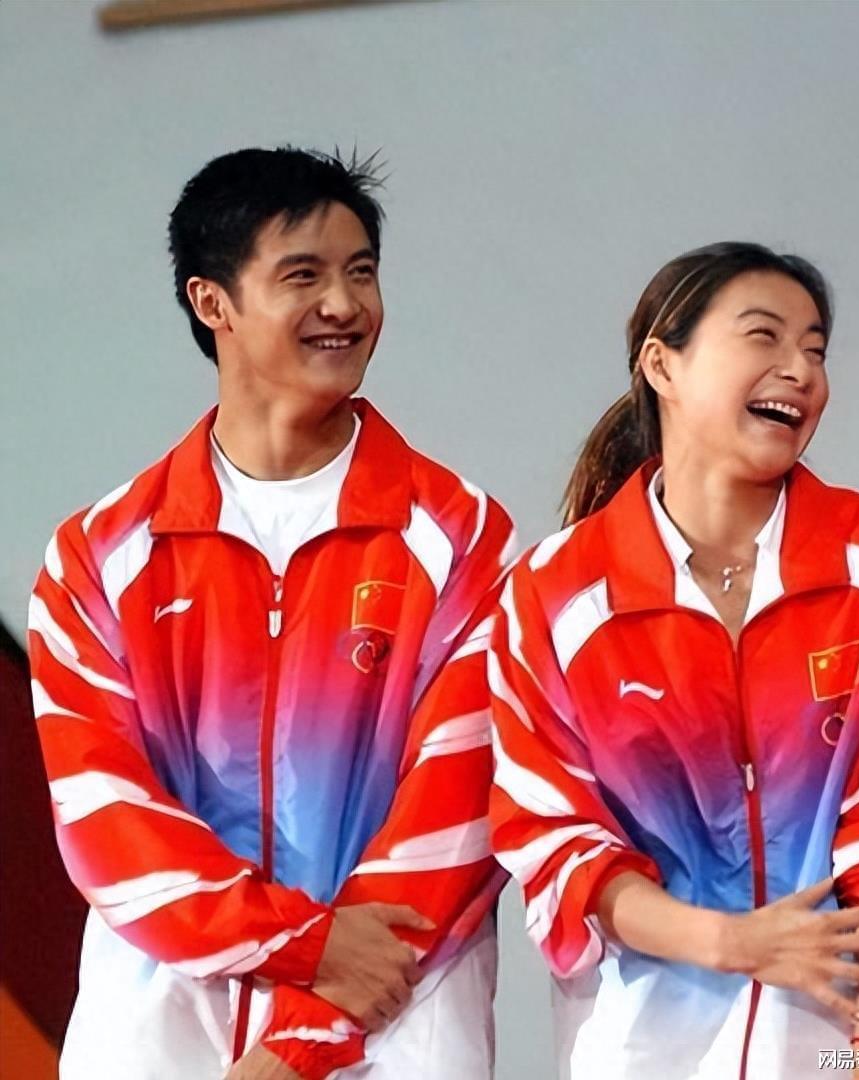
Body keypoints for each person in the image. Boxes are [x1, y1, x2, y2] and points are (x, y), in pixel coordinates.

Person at [27, 147, 514, 1080]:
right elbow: (104, 816)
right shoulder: (99, 554)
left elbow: (456, 819)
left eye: (361, 272)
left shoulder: (461, 538)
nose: (344, 304)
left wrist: (300, 1041)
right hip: (158, 1028)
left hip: (389, 1026)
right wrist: (304, 943)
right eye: (304, 276)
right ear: (213, 303)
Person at [488, 242, 859, 1080]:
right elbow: (558, 840)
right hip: (645, 1048)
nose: (800, 370)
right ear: (662, 365)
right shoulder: (556, 593)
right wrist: (733, 943)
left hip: (856, 1038)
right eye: (764, 336)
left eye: (816, 350)